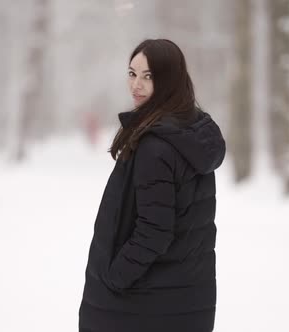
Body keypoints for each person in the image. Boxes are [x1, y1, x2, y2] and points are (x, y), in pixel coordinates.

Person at [78, 39, 226, 332]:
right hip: (183, 299)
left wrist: (114, 278)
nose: (136, 85)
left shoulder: (156, 147)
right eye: (132, 74)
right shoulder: (190, 132)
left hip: (144, 304)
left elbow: (154, 232)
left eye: (149, 76)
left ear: (169, 79)